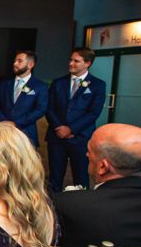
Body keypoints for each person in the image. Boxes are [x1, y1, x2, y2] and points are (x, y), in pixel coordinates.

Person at [46, 47, 107, 192]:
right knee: (55, 178)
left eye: (76, 61)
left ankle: (78, 208)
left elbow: (93, 112)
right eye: (70, 60)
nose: (71, 63)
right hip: (56, 137)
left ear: (88, 63)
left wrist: (71, 129)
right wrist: (59, 127)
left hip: (80, 138)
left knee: (81, 178)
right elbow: (49, 108)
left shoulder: (98, 85)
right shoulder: (58, 83)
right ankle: (53, 209)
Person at [0, 50, 48, 147]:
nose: (15, 64)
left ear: (30, 64)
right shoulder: (4, 83)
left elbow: (41, 109)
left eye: (19, 61)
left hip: (26, 134)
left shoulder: (40, 86)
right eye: (15, 61)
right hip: (2, 134)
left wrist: (17, 123)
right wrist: (4, 123)